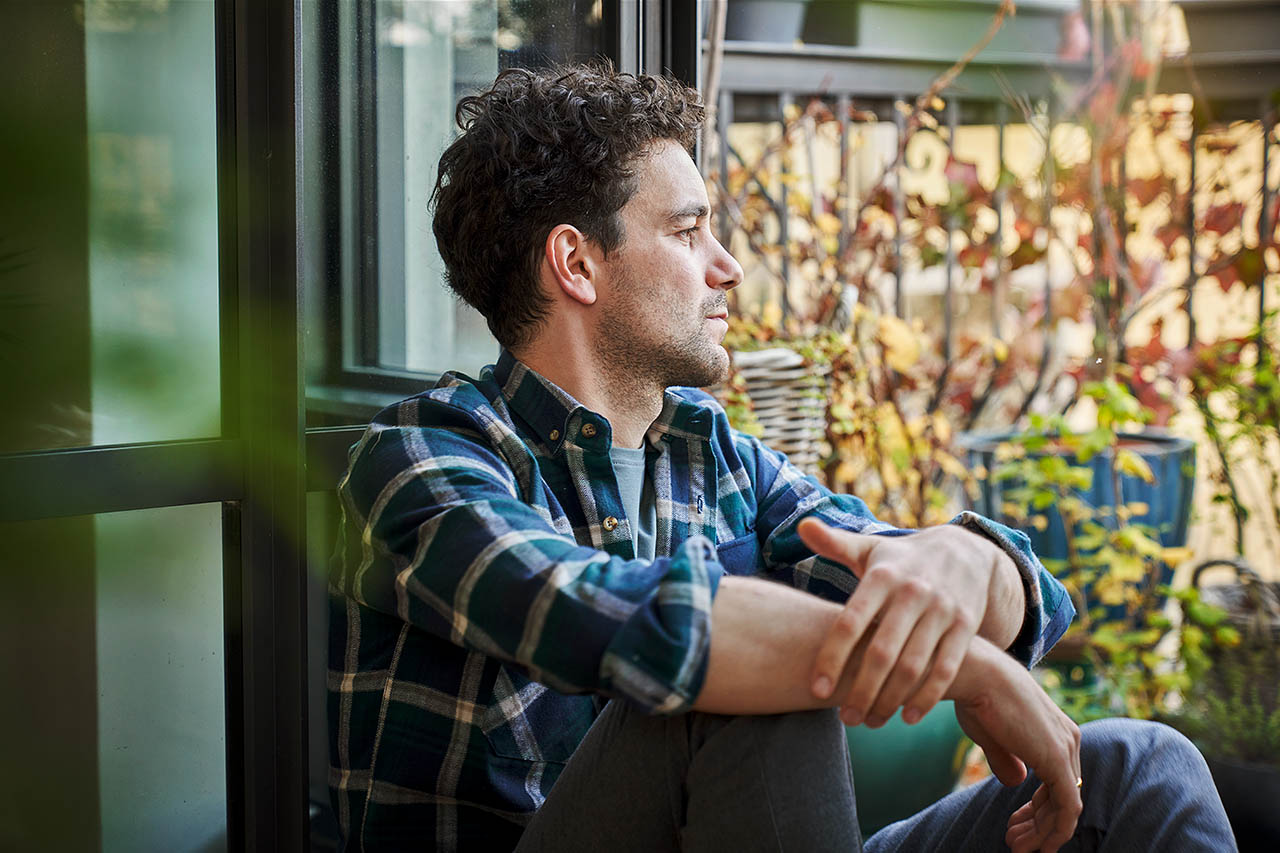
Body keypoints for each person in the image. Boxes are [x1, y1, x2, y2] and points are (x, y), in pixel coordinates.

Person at [328, 63, 1234, 852]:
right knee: (736, 684)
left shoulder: (714, 454)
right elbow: (602, 621)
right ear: (576, 263)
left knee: (1142, 768)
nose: (727, 266)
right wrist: (968, 666)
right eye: (688, 231)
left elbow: (982, 592)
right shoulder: (427, 453)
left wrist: (967, 560)